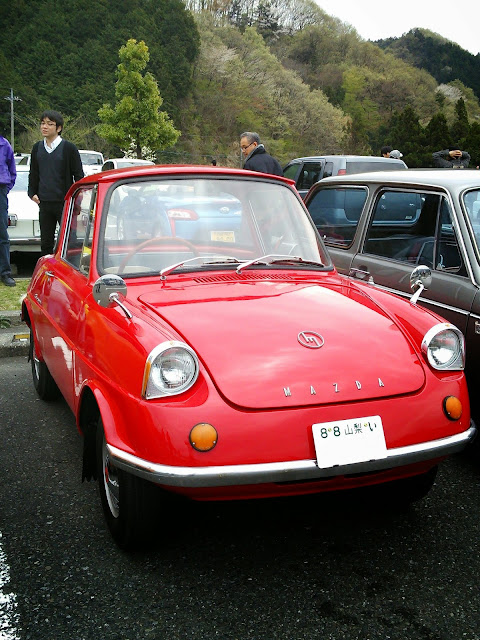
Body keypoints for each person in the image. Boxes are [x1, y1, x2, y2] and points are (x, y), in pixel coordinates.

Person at [28, 110, 84, 255]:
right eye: (42, 123)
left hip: (64, 202)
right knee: (46, 242)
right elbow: (33, 173)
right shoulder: (37, 148)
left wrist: (77, 198)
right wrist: (32, 193)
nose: (44, 127)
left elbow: (79, 175)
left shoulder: (69, 148)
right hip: (44, 202)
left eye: (49, 124)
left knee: (69, 240)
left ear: (58, 128)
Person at [0, 134, 17, 286]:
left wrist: (5, 189)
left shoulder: (4, 144)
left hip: (1, 189)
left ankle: (5, 273)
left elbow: (12, 170)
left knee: (2, 233)